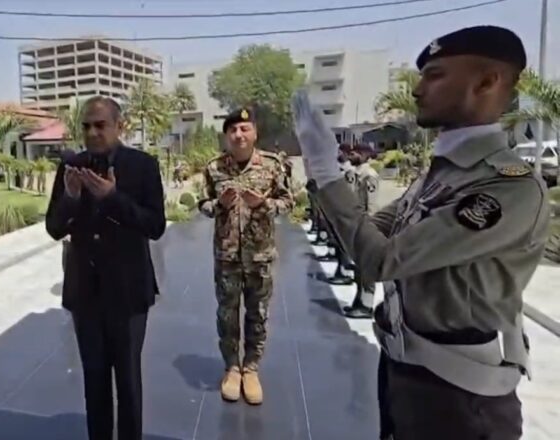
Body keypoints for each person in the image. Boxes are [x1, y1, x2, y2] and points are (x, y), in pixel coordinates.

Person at [293, 26, 549, 440]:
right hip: (407, 371)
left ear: (486, 82)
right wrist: (344, 204)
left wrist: (325, 173)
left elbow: (379, 259)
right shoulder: (441, 174)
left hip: (461, 396)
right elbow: (372, 235)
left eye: (435, 75)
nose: (416, 89)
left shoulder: (506, 187)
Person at [45, 96, 165, 440]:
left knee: (127, 382)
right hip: (85, 293)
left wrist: (113, 197)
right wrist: (70, 198)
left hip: (128, 293)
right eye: (86, 126)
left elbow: (155, 225)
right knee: (94, 380)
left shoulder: (142, 165)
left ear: (119, 126)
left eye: (101, 125)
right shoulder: (71, 166)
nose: (93, 132)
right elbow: (54, 228)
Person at [198, 107, 294, 405]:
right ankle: (232, 368)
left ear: (255, 132)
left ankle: (251, 368)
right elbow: (203, 205)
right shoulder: (214, 168)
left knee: (258, 315)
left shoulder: (273, 165)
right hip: (226, 256)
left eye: (244, 129)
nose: (238, 135)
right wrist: (220, 204)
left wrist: (265, 204)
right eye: (233, 130)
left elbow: (288, 200)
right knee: (227, 315)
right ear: (226, 136)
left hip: (260, 256)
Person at [342, 151, 380, 319]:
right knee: (359, 268)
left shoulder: (369, 175)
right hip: (357, 224)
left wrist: (369, 227)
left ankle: (367, 305)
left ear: (365, 154)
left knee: (367, 268)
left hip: (366, 225)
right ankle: (359, 300)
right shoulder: (358, 173)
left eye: (355, 153)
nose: (352, 156)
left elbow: (371, 204)